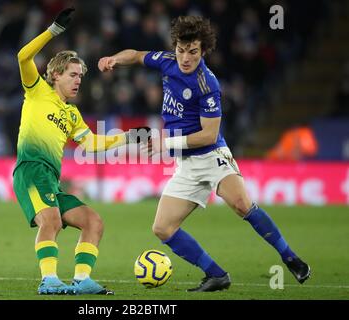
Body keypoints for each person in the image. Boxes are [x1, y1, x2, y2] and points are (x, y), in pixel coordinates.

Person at [98, 15, 311, 292]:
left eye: (193, 52)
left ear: (203, 50)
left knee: (241, 205)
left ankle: (290, 256)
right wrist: (114, 58)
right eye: (182, 50)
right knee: (162, 228)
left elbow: (208, 135)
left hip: (212, 157)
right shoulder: (166, 61)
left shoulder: (207, 84)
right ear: (175, 46)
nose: (186, 58)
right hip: (185, 164)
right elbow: (137, 55)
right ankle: (216, 275)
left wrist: (167, 142)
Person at [13, 7, 148, 295]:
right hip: (31, 170)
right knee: (51, 221)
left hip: (51, 179)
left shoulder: (72, 114)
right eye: (73, 75)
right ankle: (49, 280)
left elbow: (92, 144)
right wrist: (53, 31)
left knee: (93, 221)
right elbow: (23, 57)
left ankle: (82, 279)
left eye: (80, 77)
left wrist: (128, 137)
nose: (78, 81)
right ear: (56, 74)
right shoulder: (37, 90)